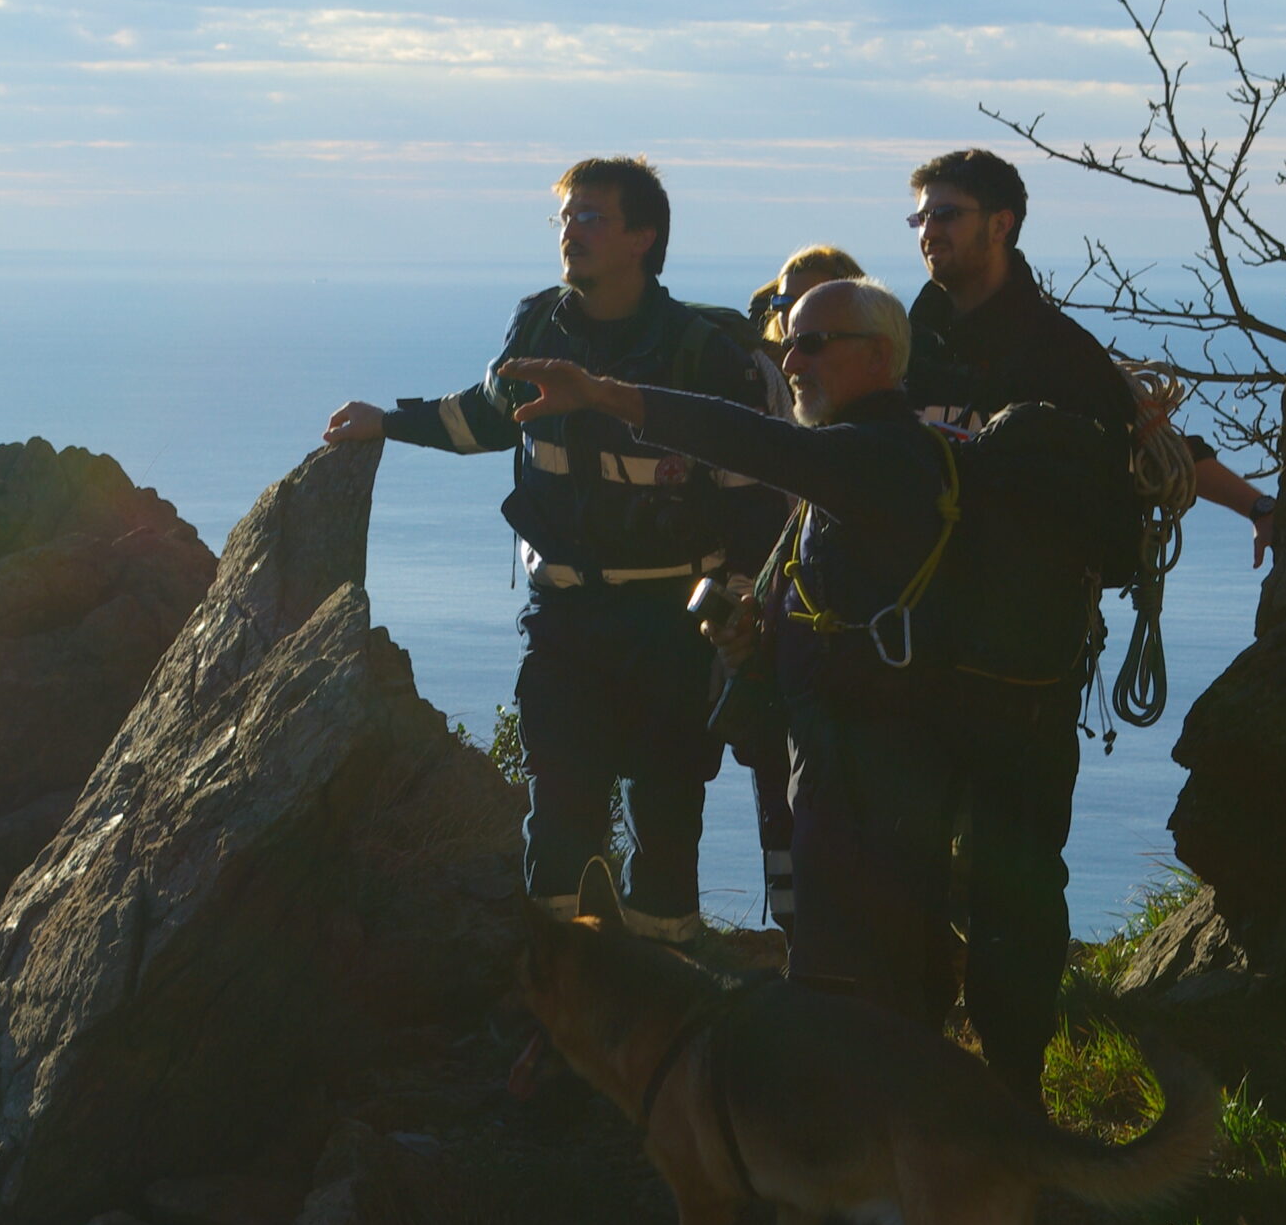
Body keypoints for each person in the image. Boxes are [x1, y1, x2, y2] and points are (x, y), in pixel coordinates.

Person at [899, 145, 1278, 1103]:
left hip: (1024, 666)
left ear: (1001, 224)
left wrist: (1258, 508)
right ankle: (909, 1074)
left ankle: (1014, 1090)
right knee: (899, 866)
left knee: (1015, 885)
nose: (929, 232)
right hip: (917, 655)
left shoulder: (1061, 355)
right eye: (921, 218)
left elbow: (1155, 447)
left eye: (946, 214)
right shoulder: (916, 339)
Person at [323, 156, 782, 945]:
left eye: (592, 216)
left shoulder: (700, 354)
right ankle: (553, 996)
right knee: (561, 797)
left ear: (644, 237)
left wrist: (739, 602)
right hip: (564, 614)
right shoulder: (541, 324)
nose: (572, 231)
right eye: (566, 217)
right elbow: (487, 416)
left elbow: (755, 499)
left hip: (673, 623)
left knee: (666, 803)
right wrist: (388, 421)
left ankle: (664, 976)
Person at [500, 277, 954, 1024]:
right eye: (788, 342)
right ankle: (855, 1081)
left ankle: (883, 1102)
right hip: (835, 739)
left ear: (879, 355)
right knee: (839, 936)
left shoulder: (878, 456)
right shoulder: (854, 457)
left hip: (872, 748)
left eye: (811, 344)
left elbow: (750, 440)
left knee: (866, 944)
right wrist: (759, 626)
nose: (791, 362)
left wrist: (607, 395)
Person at [728, 242, 867, 936]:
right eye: (786, 309)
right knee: (775, 797)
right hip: (774, 631)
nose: (793, 328)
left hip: (855, 642)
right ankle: (796, 943)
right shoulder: (750, 390)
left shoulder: (875, 417)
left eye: (815, 319)